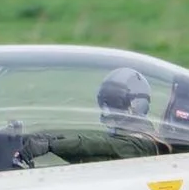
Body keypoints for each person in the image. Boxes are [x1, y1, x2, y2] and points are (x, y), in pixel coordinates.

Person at [26, 67, 171, 164]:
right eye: (104, 102)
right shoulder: (121, 139)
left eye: (115, 102)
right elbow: (89, 156)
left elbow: (97, 145)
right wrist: (49, 139)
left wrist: (52, 145)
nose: (108, 109)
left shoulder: (143, 143)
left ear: (136, 103)